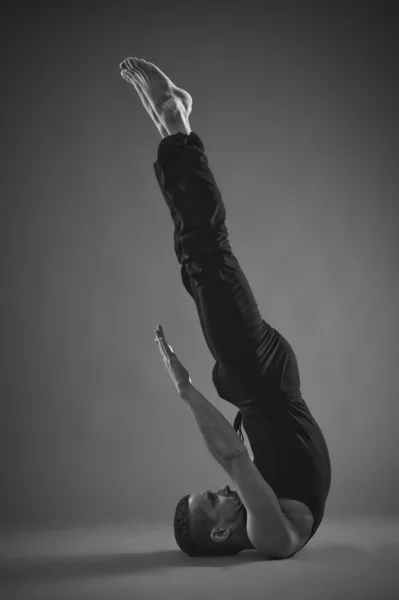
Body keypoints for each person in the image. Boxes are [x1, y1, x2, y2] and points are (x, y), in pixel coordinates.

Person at [120, 57, 331, 559]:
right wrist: (185, 390)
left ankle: (171, 125)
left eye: (211, 493)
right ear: (218, 533)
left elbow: (240, 458)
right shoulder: (273, 537)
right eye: (212, 500)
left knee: (192, 261)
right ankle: (176, 121)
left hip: (254, 383)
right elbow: (233, 456)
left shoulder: (269, 509)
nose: (221, 490)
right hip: (260, 378)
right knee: (207, 251)